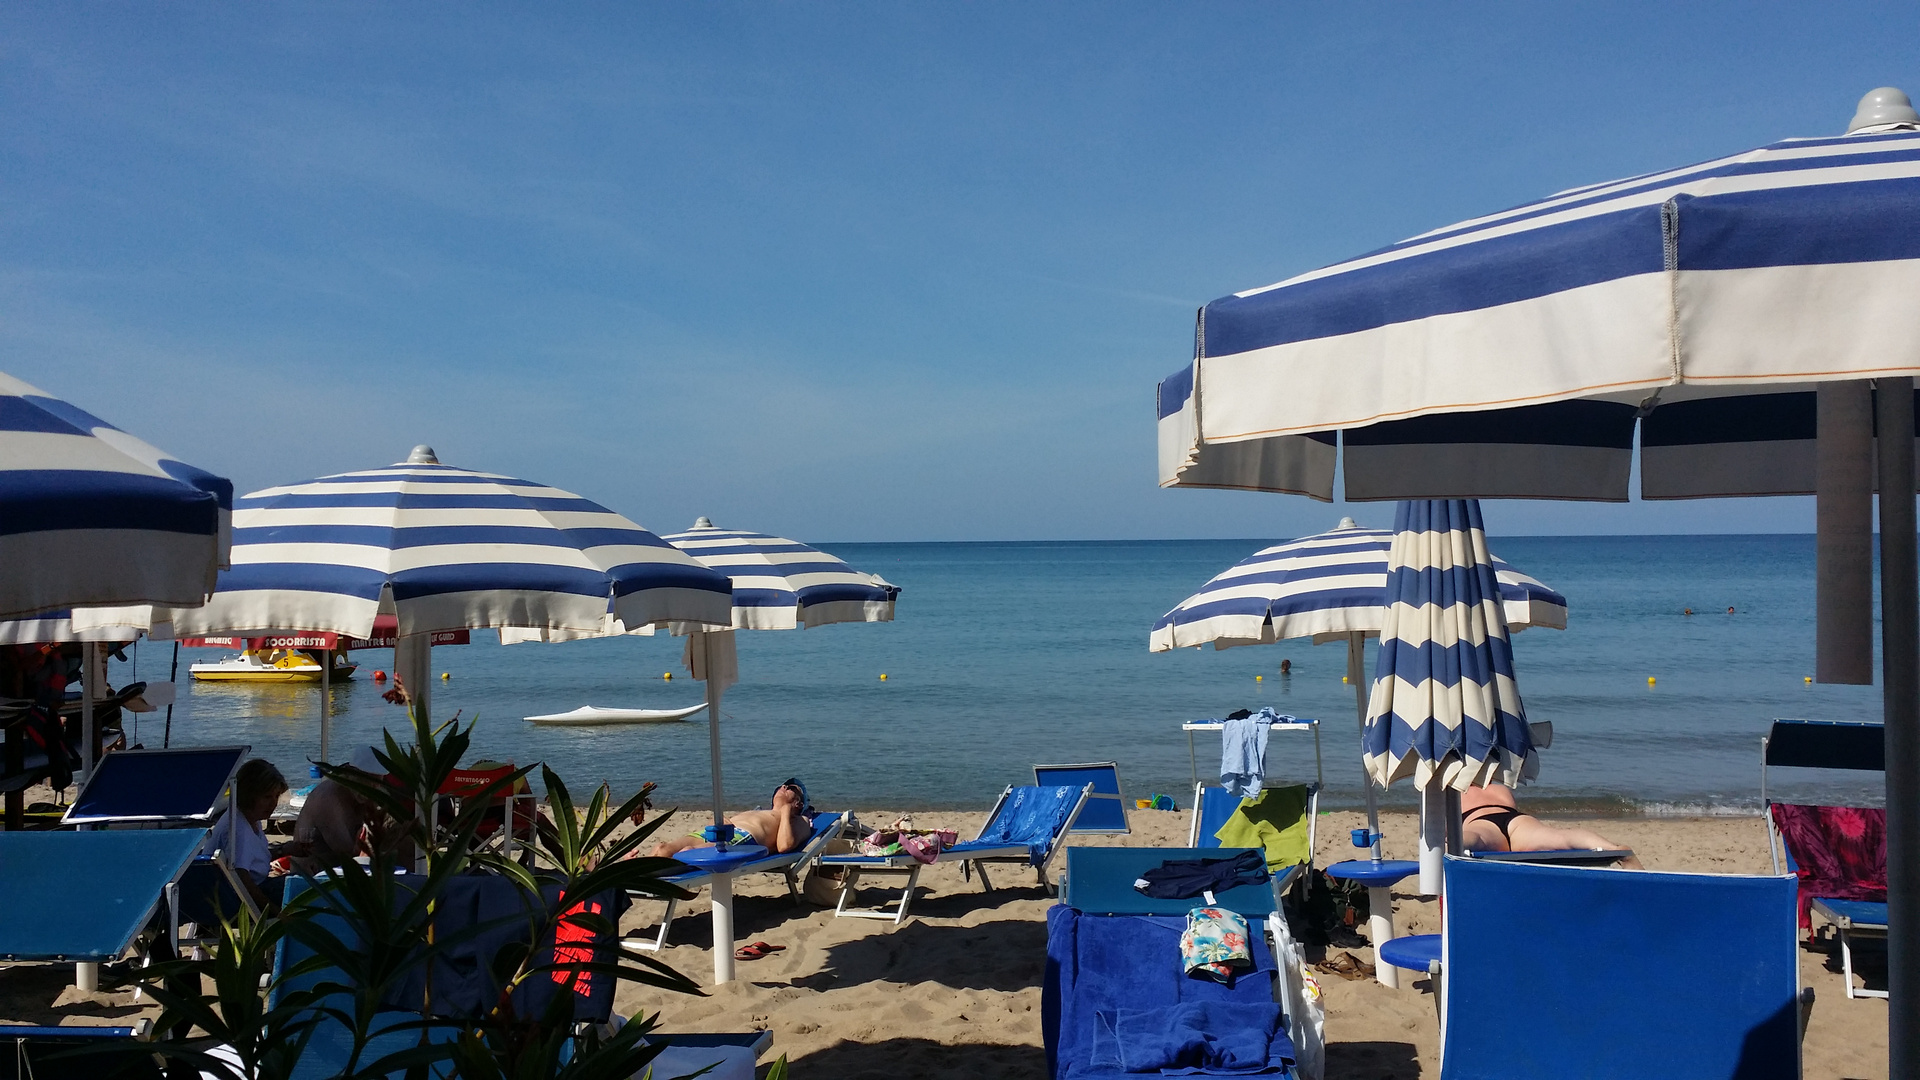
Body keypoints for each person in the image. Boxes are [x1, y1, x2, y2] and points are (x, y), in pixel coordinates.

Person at [1459, 783, 1644, 869]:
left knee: (1475, 838)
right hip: (1517, 821)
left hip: (1479, 821)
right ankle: (1613, 848)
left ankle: (1450, 843)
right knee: (1561, 837)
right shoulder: (1499, 787)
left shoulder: (1453, 792)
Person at [203, 758, 290, 912]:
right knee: (307, 888)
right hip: (239, 901)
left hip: (247, 890)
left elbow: (252, 858)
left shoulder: (250, 818)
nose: (273, 804)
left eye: (276, 797)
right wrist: (274, 910)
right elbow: (242, 879)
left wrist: (283, 850)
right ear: (250, 795)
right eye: (267, 797)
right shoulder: (238, 827)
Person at [649, 779, 811, 859]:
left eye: (790, 788)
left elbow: (784, 846)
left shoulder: (799, 820)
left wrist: (786, 811)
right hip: (717, 831)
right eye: (782, 786)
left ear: (799, 803)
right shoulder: (759, 812)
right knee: (662, 848)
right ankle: (633, 873)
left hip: (741, 839)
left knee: (687, 854)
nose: (783, 787)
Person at [290, 745, 385, 875]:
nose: (372, 787)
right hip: (314, 875)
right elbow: (348, 853)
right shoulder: (328, 797)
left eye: (377, 782)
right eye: (365, 779)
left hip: (343, 871)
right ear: (349, 773)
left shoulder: (368, 792)